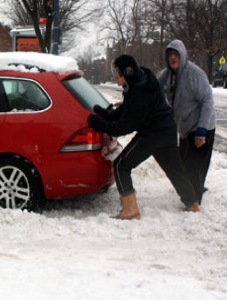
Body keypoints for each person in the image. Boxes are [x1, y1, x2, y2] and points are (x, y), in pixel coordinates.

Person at [87, 54, 199, 220]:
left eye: (118, 74)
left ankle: (130, 210)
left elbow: (123, 127)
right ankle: (193, 204)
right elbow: (126, 109)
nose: (115, 78)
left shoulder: (140, 93)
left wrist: (99, 123)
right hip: (166, 131)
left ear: (128, 72)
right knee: (174, 169)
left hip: (152, 134)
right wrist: (105, 114)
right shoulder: (142, 80)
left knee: (121, 165)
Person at [157, 40, 216, 206]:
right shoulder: (166, 76)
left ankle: (194, 200)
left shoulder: (194, 74)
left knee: (194, 166)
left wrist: (201, 131)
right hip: (184, 128)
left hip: (202, 126)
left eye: (176, 54)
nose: (173, 57)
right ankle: (195, 189)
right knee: (184, 163)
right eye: (170, 55)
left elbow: (207, 101)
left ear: (182, 55)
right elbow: (153, 88)